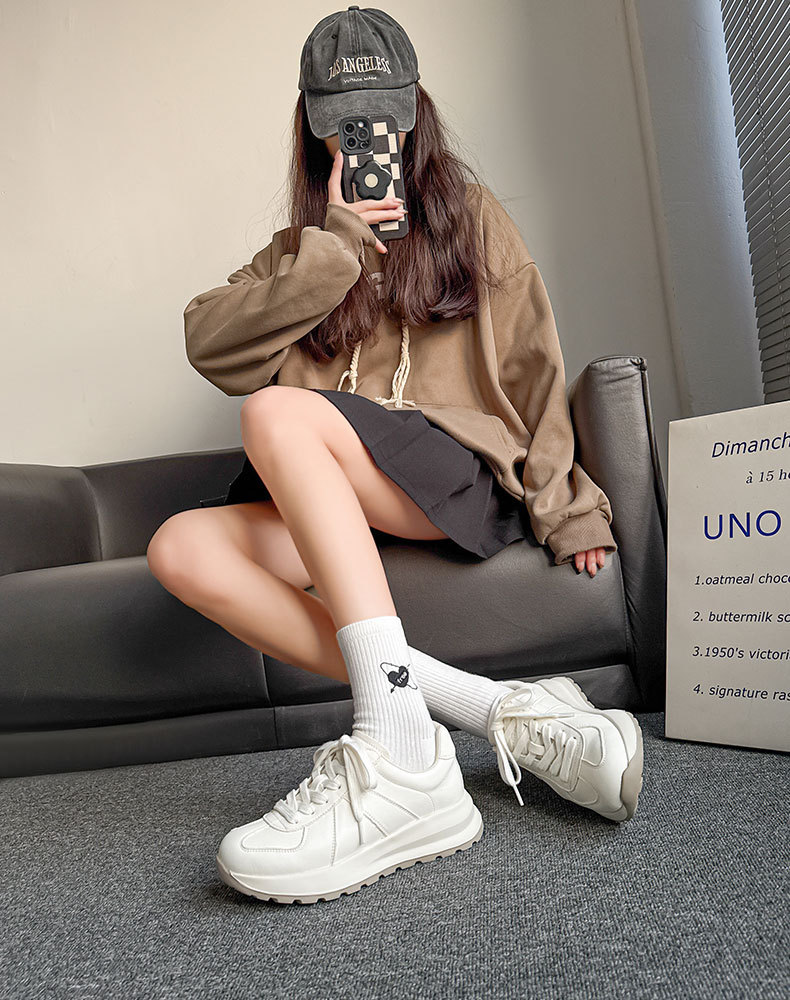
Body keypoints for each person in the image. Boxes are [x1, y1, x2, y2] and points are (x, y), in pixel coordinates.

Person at [146, 6, 643, 904]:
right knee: (179, 548)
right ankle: (492, 709)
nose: (368, 141)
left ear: (414, 115)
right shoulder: (299, 253)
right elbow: (207, 344)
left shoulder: (470, 218)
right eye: (346, 124)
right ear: (315, 130)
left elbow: (533, 363)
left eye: (382, 118)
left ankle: (402, 758)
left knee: (277, 413)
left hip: (445, 477)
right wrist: (333, 250)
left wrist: (569, 508)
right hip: (345, 493)